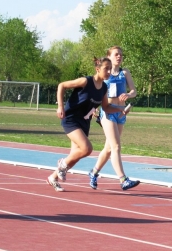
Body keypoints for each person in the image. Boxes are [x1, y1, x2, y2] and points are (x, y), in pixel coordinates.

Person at [47, 57, 125, 192]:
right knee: (87, 148)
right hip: (71, 118)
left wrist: (120, 109)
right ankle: (62, 164)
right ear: (97, 69)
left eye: (110, 69)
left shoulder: (104, 88)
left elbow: (106, 107)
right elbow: (62, 85)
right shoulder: (85, 81)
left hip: (84, 122)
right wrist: (60, 106)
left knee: (75, 155)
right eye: (106, 68)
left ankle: (53, 177)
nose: (108, 71)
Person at [89, 46, 140, 191]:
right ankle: (123, 179)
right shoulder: (105, 73)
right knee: (116, 146)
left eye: (121, 55)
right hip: (108, 112)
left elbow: (134, 91)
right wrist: (93, 108)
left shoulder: (125, 72)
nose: (119, 57)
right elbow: (96, 91)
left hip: (121, 113)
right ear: (109, 57)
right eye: (116, 54)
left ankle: (93, 172)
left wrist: (129, 95)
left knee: (108, 148)